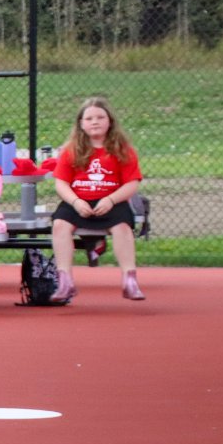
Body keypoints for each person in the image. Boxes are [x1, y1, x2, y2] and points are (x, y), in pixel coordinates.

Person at [49, 96, 146, 303]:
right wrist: (75, 202)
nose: (95, 122)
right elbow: (61, 183)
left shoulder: (123, 150)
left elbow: (132, 183)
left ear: (109, 121)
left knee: (122, 228)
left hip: (111, 201)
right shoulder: (71, 150)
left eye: (100, 117)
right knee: (59, 225)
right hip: (78, 200)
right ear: (81, 124)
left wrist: (111, 200)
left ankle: (130, 280)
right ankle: (65, 281)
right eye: (89, 118)